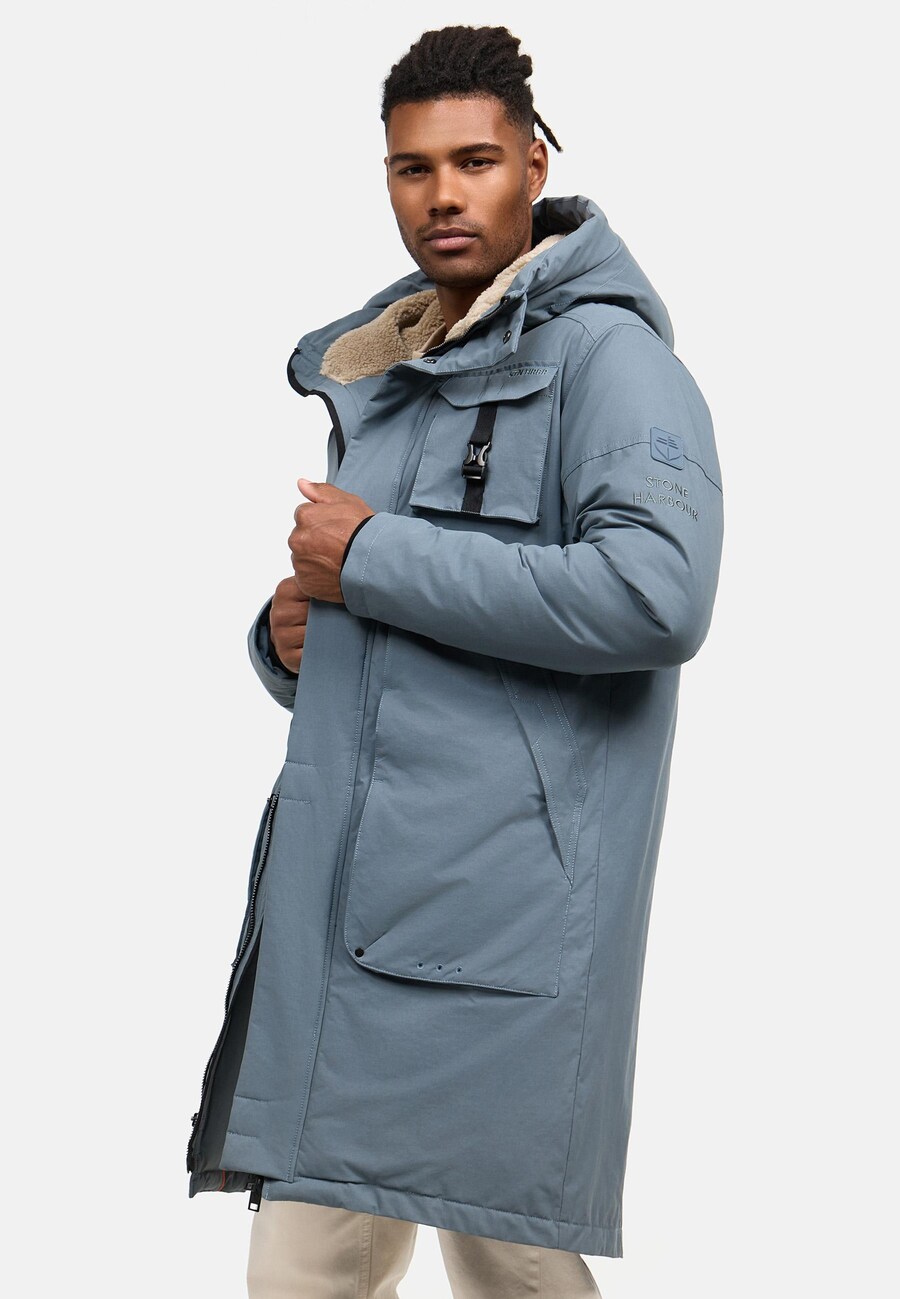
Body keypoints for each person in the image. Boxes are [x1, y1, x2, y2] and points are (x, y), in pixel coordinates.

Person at [186, 23, 725, 1299]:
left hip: (497, 924)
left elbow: (657, 599)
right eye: (412, 167)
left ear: (534, 164)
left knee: (508, 1260)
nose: (441, 195)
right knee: (302, 1271)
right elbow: (389, 608)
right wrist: (290, 637)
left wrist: (372, 558)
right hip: (349, 908)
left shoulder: (612, 363)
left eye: (474, 162)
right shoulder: (403, 368)